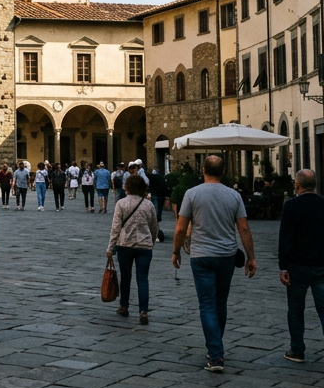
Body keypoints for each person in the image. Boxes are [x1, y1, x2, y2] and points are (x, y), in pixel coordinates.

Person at [171, 155, 257, 373]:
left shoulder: (192, 193)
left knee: (207, 304)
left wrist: (176, 251)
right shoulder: (234, 195)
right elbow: (244, 229)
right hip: (227, 255)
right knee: (220, 302)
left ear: (203, 170)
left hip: (201, 256)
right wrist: (251, 257)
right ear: (224, 171)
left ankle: (216, 355)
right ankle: (215, 348)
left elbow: (181, 228)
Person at [278, 169, 324, 373]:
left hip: (298, 267)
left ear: (297, 186)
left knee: (296, 310)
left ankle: (297, 350)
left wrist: (283, 266)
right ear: (315, 185)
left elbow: (285, 239)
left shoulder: (291, 206)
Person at [107, 175, 160, 324]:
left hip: (125, 245)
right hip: (144, 246)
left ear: (127, 187)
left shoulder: (121, 204)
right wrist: (151, 242)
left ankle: (124, 306)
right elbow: (154, 227)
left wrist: (110, 247)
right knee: (142, 279)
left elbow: (115, 228)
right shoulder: (148, 205)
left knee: (126, 277)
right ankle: (143, 311)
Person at [149, 169, 169, 242]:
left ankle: (156, 233)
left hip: (155, 195)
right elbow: (165, 187)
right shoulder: (162, 179)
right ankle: (156, 232)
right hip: (161, 196)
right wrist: (167, 196)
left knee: (155, 215)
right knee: (157, 214)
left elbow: (149, 186)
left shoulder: (151, 178)